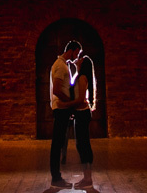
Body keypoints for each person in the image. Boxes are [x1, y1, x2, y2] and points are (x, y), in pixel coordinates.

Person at [49, 40, 82, 186]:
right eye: (77, 53)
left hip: (63, 109)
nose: (77, 56)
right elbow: (57, 90)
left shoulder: (62, 65)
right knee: (57, 144)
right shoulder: (61, 66)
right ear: (72, 50)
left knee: (58, 143)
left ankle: (57, 177)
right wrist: (70, 102)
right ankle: (56, 178)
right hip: (61, 109)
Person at [71, 53, 97, 187]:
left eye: (80, 59)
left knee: (83, 145)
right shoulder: (79, 76)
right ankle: (87, 177)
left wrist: (70, 107)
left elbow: (81, 99)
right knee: (82, 144)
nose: (77, 59)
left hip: (81, 113)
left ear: (83, 64)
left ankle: (88, 178)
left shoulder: (82, 78)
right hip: (81, 113)